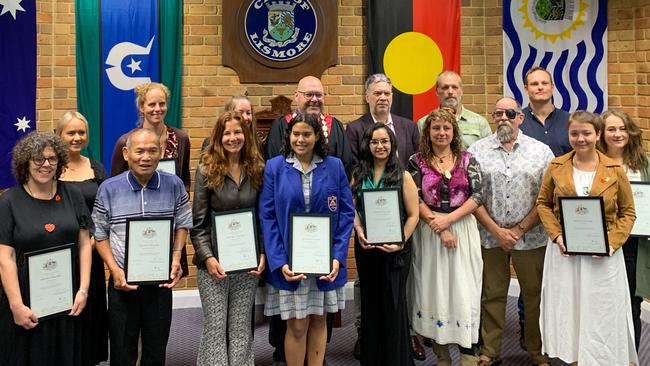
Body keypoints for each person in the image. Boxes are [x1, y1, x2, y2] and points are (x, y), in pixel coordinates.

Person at [535, 110, 638, 365]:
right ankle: (573, 360)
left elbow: (628, 212)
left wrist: (612, 243)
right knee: (569, 309)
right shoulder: (556, 167)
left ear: (598, 134)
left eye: (586, 133)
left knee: (601, 311)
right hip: (564, 253)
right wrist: (557, 235)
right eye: (574, 133)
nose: (580, 139)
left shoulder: (614, 169)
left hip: (603, 257)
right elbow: (543, 204)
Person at [263, 75, 352, 365]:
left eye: (307, 135)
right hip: (291, 262)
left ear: (317, 138)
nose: (300, 140)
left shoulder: (334, 167)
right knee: (297, 324)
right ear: (288, 137)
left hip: (325, 261)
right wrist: (279, 261)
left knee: (318, 321)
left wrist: (338, 257)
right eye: (296, 134)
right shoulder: (275, 168)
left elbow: (346, 213)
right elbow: (268, 217)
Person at [92, 128, 192, 366]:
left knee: (156, 349)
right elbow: (99, 233)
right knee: (122, 349)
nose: (145, 157)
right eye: (139, 151)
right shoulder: (108, 188)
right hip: (122, 282)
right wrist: (114, 270)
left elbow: (183, 223)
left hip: (159, 282)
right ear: (126, 154)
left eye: (152, 151)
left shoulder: (175, 185)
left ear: (161, 153)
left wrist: (176, 256)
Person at [467, 97, 553, 366]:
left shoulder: (541, 152)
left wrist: (518, 229)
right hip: (489, 235)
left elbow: (546, 197)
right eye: (498, 113)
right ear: (493, 118)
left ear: (521, 117)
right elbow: (472, 196)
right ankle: (490, 350)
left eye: (510, 113)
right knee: (491, 293)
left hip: (532, 235)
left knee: (534, 293)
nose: (503, 117)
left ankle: (537, 350)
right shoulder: (476, 151)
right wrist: (497, 230)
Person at [345, 73, 420, 359]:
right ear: (368, 145)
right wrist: (359, 230)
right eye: (375, 142)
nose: (380, 146)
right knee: (371, 302)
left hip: (396, 248)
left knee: (395, 304)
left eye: (384, 142)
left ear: (392, 145)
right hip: (367, 247)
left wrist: (401, 240)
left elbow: (413, 214)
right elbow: (351, 206)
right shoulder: (359, 174)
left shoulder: (402, 175)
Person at [0, 132, 92, 365]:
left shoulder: (73, 195)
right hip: (24, 298)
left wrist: (83, 289)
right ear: (26, 163)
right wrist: (16, 305)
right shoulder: (9, 202)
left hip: (66, 296)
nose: (46, 165)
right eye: (38, 159)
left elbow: (84, 244)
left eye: (52, 159)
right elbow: (5, 258)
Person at [408, 108, 483, 366]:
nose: (441, 133)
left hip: (462, 229)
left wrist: (449, 221)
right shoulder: (416, 161)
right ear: (428, 132)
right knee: (436, 289)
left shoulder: (467, 159)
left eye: (446, 128)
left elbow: (478, 196)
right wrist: (438, 225)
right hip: (430, 233)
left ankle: (468, 355)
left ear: (454, 132)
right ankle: (441, 357)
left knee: (464, 289)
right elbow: (414, 198)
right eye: (436, 128)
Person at [191, 111, 266, 365]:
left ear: (245, 135)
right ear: (218, 137)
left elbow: (261, 218)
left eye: (238, 132)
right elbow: (198, 224)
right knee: (215, 327)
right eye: (227, 133)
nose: (233, 138)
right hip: (214, 267)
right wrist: (208, 258)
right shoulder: (206, 169)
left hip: (247, 264)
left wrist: (263, 253)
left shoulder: (257, 168)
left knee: (241, 328)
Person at [109, 82, 191, 278]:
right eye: (151, 104)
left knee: (165, 278)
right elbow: (115, 186)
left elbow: (185, 182)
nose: (157, 109)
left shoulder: (181, 139)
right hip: (134, 228)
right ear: (141, 107)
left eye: (161, 104)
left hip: (169, 226)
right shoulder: (126, 142)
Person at [56, 111, 109, 365]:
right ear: (59, 135)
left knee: (89, 307)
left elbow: (105, 208)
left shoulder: (96, 167)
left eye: (81, 133)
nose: (77, 138)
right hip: (61, 251)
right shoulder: (50, 169)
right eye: (71, 133)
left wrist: (93, 239)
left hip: (92, 251)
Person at [599, 109, 649, 352]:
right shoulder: (593, 161)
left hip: (634, 243)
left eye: (622, 128)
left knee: (631, 304)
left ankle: (630, 356)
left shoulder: (643, 164)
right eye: (611, 129)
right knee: (602, 303)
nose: (617, 134)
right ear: (601, 133)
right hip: (600, 241)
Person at [264, 75, 352, 174]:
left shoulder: (335, 126)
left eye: (318, 95)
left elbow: (346, 165)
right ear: (296, 96)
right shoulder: (281, 125)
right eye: (309, 94)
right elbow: (273, 164)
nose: (314, 99)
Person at [346, 73, 420, 169]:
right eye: (377, 93)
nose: (383, 98)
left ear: (392, 97)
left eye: (387, 93)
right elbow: (354, 167)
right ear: (367, 98)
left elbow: (417, 164)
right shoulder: (354, 129)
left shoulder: (409, 127)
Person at [417, 70, 491, 150]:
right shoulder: (424, 123)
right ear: (437, 91)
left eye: (454, 87)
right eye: (445, 87)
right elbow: (421, 154)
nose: (450, 92)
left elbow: (489, 154)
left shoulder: (479, 122)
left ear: (462, 91)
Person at [520, 66, 571, 157]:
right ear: (526, 89)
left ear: (552, 87)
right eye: (535, 84)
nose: (540, 87)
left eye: (544, 83)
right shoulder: (517, 121)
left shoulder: (569, 120)